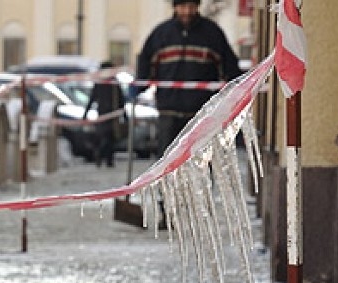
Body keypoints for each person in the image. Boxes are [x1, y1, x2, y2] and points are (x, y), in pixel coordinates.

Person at [136, 0, 242, 157]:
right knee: (166, 161)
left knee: (199, 161)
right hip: (168, 111)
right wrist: (140, 84)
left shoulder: (212, 33)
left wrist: (234, 89)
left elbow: (230, 66)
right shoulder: (161, 34)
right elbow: (145, 62)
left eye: (191, 6)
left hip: (200, 113)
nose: (187, 11)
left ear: (197, 6)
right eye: (182, 7)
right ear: (175, 7)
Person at [82, 61, 126, 168]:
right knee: (108, 138)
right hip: (110, 115)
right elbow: (121, 101)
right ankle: (106, 159)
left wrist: (85, 114)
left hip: (104, 114)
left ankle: (103, 157)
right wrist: (125, 116)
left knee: (106, 138)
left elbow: (92, 99)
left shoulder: (102, 83)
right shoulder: (113, 83)